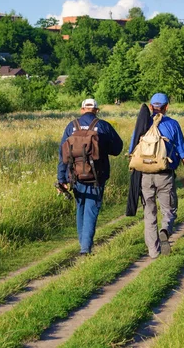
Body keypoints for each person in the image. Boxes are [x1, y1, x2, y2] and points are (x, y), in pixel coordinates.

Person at [57, 98, 123, 255]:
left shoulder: (71, 126)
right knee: (91, 210)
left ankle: (83, 243)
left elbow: (63, 154)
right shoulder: (103, 126)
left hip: (75, 176)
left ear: (81, 110)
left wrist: (61, 179)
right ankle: (85, 249)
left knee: (80, 207)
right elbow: (117, 149)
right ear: (96, 110)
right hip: (96, 176)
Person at [130, 93, 184, 258]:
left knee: (149, 212)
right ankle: (165, 229)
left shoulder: (142, 124)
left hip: (144, 175)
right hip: (164, 174)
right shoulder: (172, 125)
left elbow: (131, 151)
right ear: (166, 107)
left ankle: (153, 252)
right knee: (169, 209)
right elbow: (183, 152)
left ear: (151, 107)